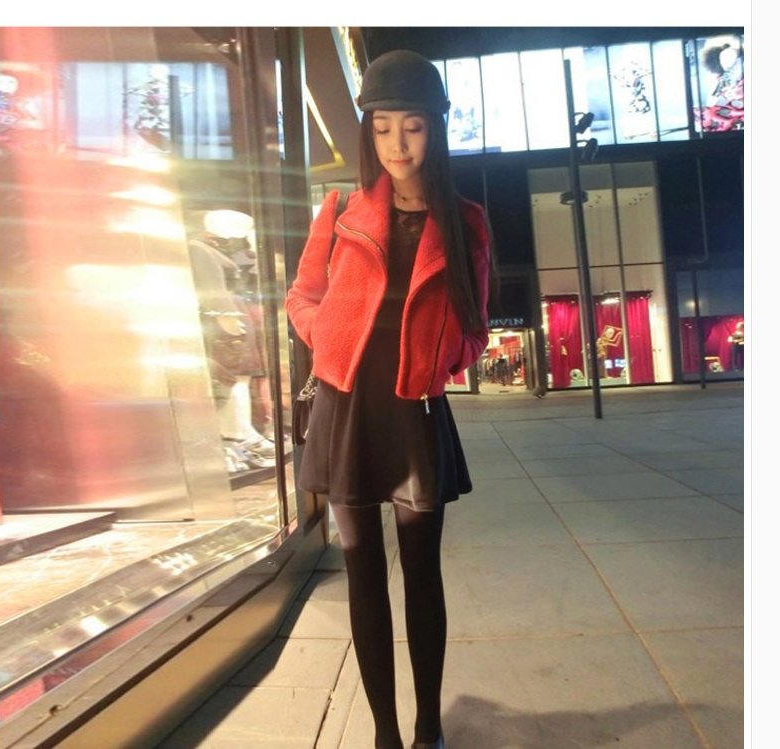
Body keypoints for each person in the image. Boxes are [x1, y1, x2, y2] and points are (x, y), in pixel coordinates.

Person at [286, 50, 492, 749]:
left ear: (436, 128)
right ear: (367, 132)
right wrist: (328, 337)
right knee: (363, 575)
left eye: (411, 127)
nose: (396, 144)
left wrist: (442, 359)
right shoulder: (341, 210)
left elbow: (476, 328)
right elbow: (302, 295)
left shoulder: (464, 221)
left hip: (414, 411)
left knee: (422, 573)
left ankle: (428, 725)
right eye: (381, 128)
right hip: (345, 411)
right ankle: (384, 735)